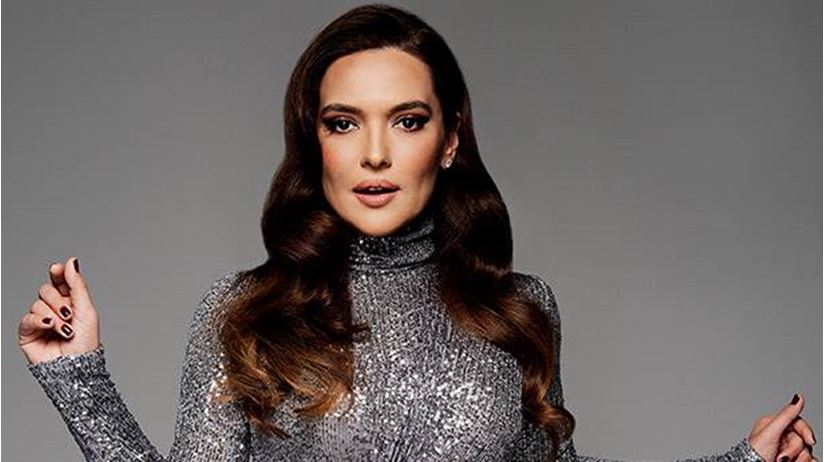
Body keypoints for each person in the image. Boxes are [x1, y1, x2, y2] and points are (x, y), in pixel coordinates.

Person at [17, 4, 816, 462]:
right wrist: (79, 380)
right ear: (314, 142)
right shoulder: (248, 313)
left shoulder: (519, 311)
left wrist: (742, 461)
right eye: (343, 123)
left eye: (406, 120)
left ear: (451, 138)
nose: (374, 153)